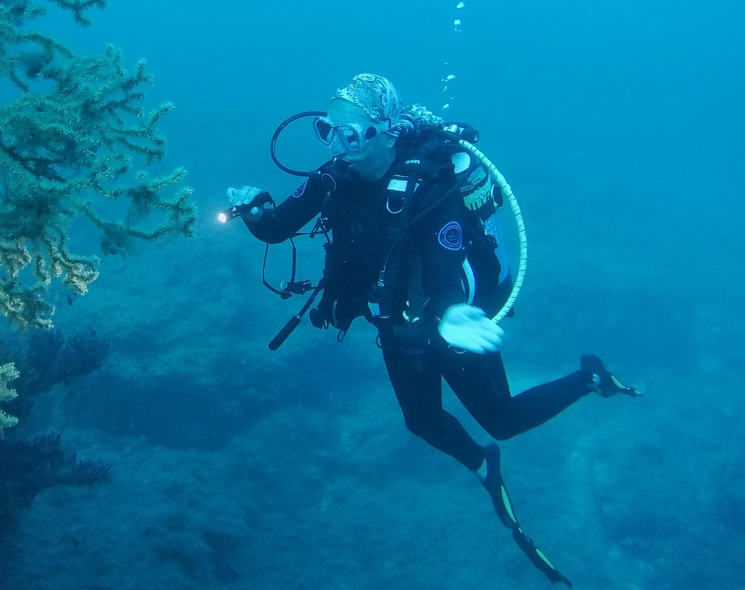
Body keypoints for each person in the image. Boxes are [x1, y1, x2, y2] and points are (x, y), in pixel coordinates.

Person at [226, 73, 641, 587]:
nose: (338, 147)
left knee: (503, 419)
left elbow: (445, 266)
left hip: (452, 326)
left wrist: (451, 315)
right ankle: (484, 465)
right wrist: (255, 209)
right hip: (397, 326)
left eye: (350, 134)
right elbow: (278, 226)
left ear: (383, 130)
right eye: (327, 131)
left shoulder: (428, 184)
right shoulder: (333, 178)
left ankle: (588, 377)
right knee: (421, 420)